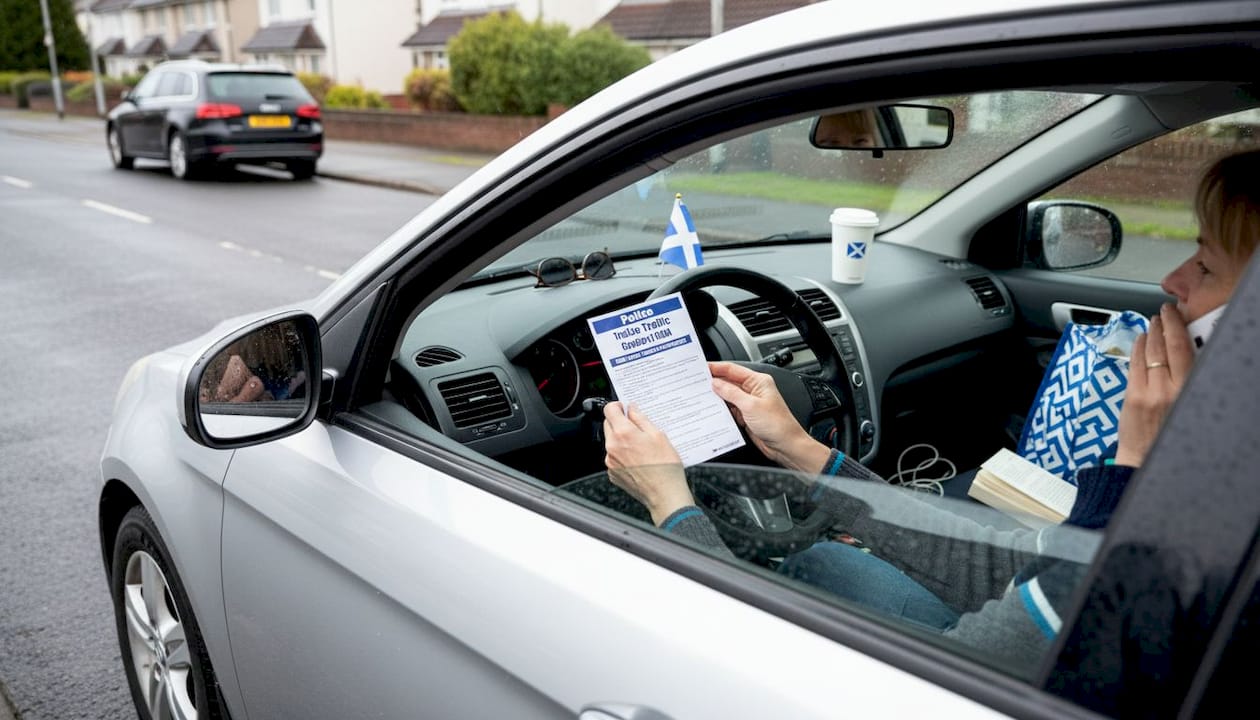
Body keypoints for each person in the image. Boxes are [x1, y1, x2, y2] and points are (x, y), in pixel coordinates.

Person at [601, 148, 1260, 668]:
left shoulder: (1157, 532)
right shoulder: (1216, 491)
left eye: (1205, 267)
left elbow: (745, 649)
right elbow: (1010, 572)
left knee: (802, 573)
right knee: (821, 561)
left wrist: (669, 501)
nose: (1172, 282)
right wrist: (802, 451)